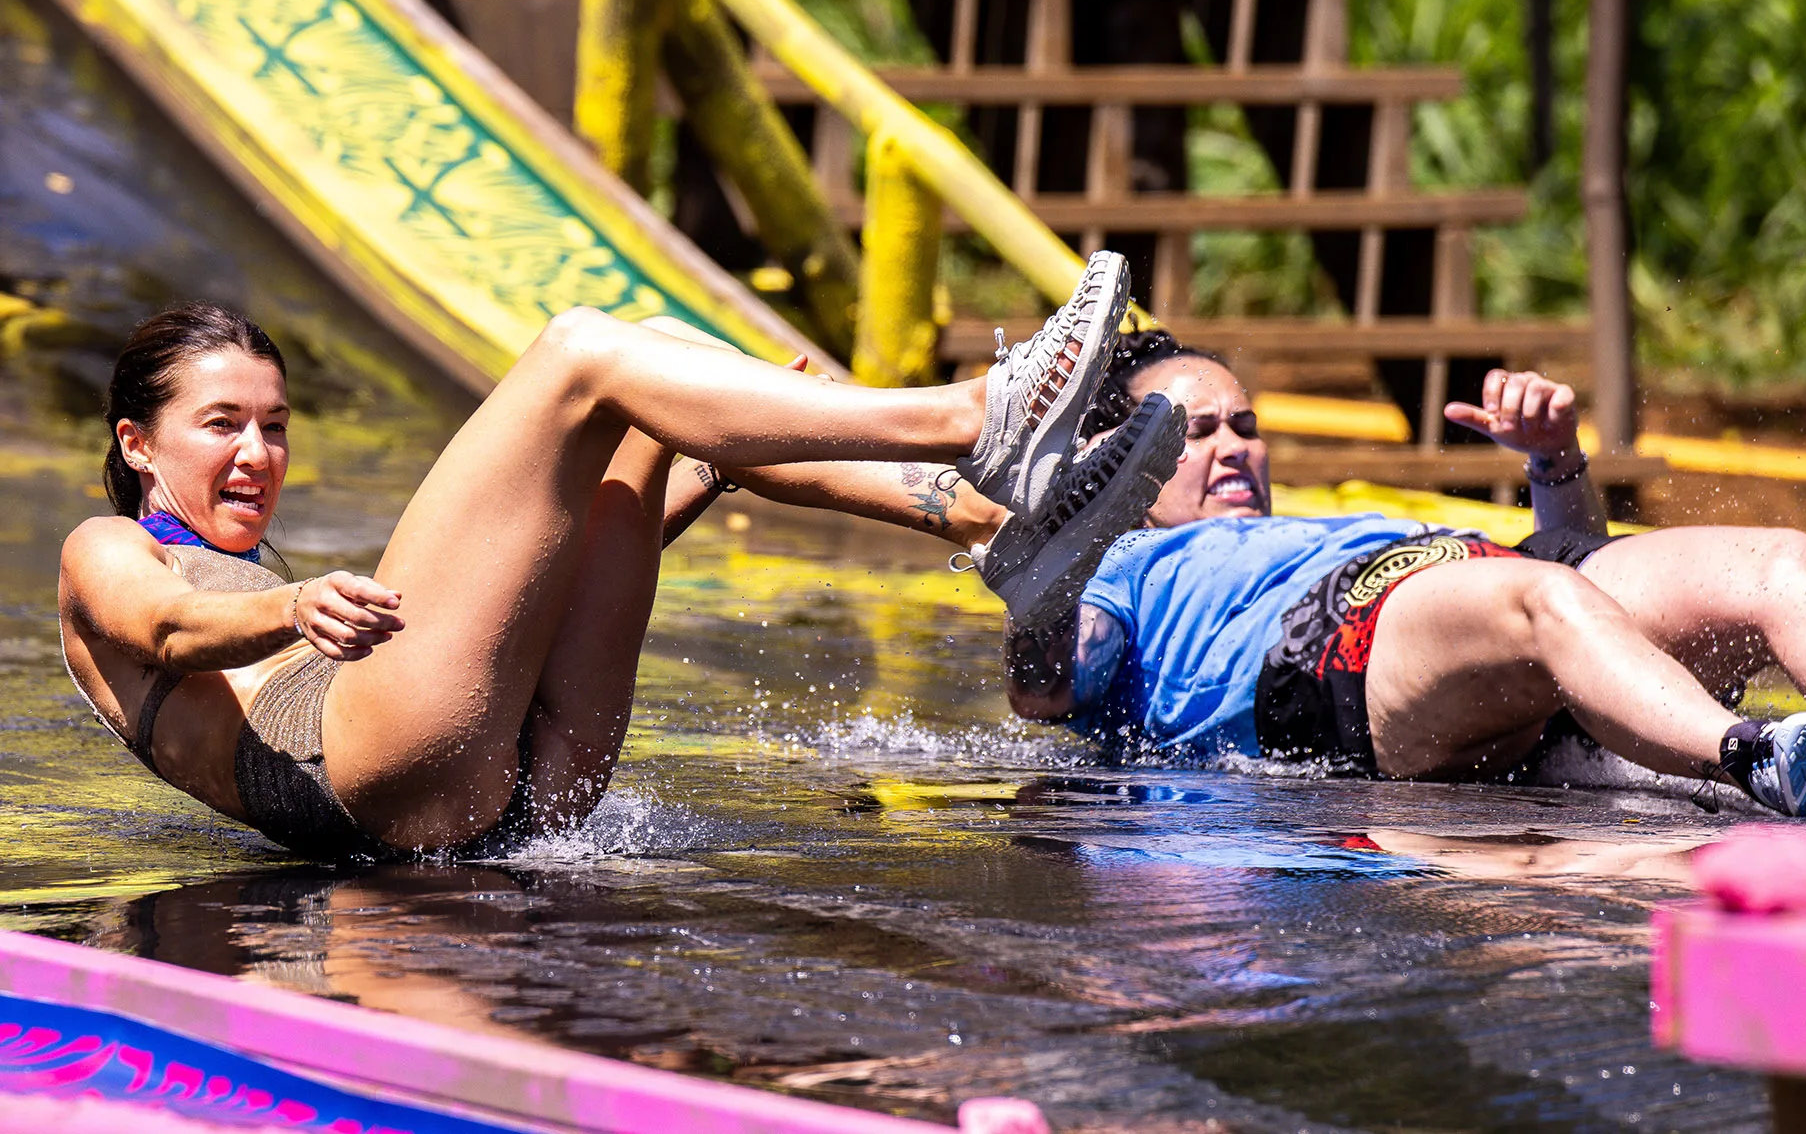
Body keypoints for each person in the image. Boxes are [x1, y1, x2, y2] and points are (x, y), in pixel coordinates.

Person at [57, 253, 1177, 861]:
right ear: (136, 442)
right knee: (582, 353)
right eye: (222, 424)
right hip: (356, 771)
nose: (259, 452)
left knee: (666, 380)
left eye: (276, 424)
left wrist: (700, 469)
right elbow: (165, 629)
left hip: (501, 785)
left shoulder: (282, 581)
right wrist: (298, 604)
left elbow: (521, 609)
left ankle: (993, 528)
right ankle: (977, 417)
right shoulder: (101, 549)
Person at [696, 330, 1806, 819]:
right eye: (1190, 434)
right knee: (1538, 604)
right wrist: (1038, 590)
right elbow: (1048, 692)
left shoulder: (1331, 518)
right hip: (1332, 656)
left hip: (1452, 589)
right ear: (1116, 471)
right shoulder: (1122, 562)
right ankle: (1756, 763)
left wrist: (1554, 463)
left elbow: (1572, 560)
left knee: (1776, 561)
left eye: (1243, 423)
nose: (1230, 446)